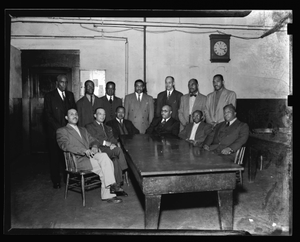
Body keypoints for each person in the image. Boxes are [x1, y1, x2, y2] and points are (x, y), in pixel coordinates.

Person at [56, 108, 122, 203]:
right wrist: (84, 150)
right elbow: (65, 145)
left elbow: (94, 140)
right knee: (106, 165)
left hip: (90, 156)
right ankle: (110, 190)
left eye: (76, 114)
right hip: (77, 160)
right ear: (66, 117)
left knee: (104, 156)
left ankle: (111, 186)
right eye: (71, 114)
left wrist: (94, 146)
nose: (74, 116)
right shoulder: (62, 131)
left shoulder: (83, 130)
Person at [85, 107, 128, 196]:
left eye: (104, 114)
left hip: (109, 150)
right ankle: (125, 169)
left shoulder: (108, 127)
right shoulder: (89, 126)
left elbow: (112, 139)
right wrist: (106, 143)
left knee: (115, 160)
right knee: (119, 150)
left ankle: (116, 186)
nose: (102, 116)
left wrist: (113, 144)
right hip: (99, 150)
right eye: (100, 114)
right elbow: (93, 139)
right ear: (95, 115)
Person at [44, 74, 76, 189]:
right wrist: (60, 129)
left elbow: (73, 112)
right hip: (55, 132)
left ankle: (70, 179)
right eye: (62, 82)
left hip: (68, 132)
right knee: (55, 157)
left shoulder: (70, 95)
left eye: (66, 82)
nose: (64, 84)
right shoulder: (49, 96)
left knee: (68, 157)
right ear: (57, 83)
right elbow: (48, 116)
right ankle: (56, 181)